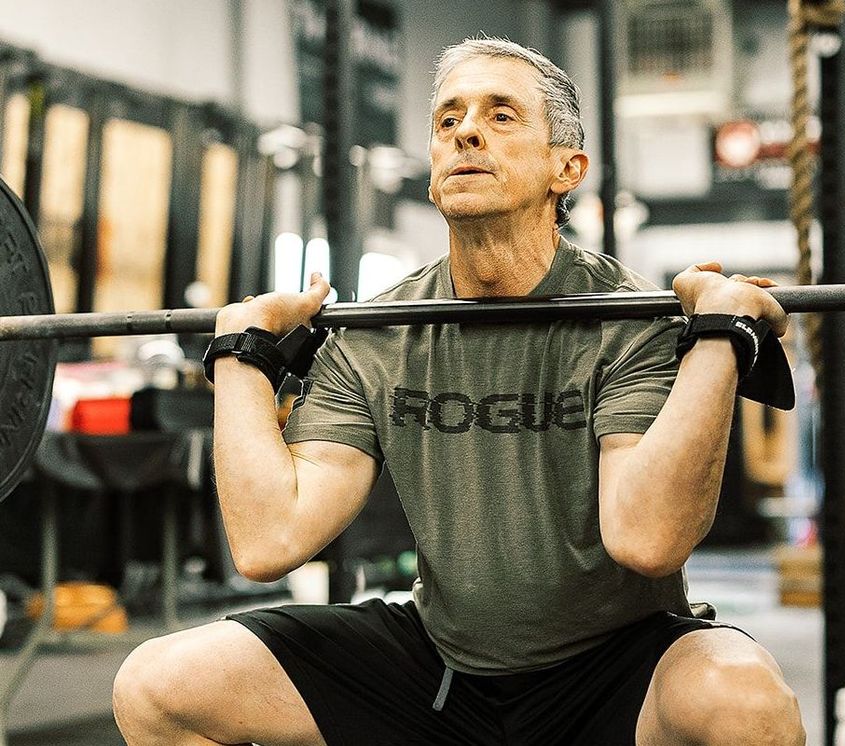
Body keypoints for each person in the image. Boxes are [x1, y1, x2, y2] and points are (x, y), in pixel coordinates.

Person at [112, 37, 805, 745]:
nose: (466, 130)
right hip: (443, 668)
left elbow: (648, 540)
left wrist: (720, 337)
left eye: (501, 116)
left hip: (615, 667)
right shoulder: (380, 334)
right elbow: (268, 540)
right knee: (159, 687)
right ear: (434, 172)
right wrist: (241, 352)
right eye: (448, 120)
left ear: (566, 168)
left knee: (742, 700)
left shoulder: (626, 320)